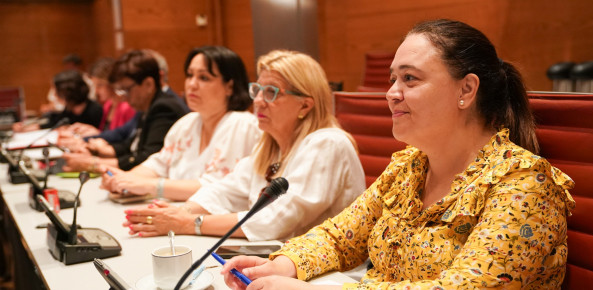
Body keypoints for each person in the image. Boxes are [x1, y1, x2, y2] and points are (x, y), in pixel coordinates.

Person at [221, 19, 576, 289]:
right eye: (393, 79)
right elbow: (340, 237)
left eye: (410, 79)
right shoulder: (410, 166)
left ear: (466, 89)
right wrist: (281, 265)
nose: (391, 93)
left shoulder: (525, 184)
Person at [121, 50, 366, 241]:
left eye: (271, 92)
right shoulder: (271, 146)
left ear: (305, 105)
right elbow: (225, 190)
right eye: (257, 90)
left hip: (330, 276)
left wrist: (189, 223)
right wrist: (181, 212)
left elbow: (275, 221)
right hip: (276, 261)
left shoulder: (328, 144)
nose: (258, 101)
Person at [100, 46, 261, 201]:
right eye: (190, 75)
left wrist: (151, 186)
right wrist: (122, 179)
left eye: (203, 77)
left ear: (229, 87)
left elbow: (217, 186)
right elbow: (158, 164)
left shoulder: (243, 125)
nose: (192, 84)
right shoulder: (186, 123)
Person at [61, 50, 188, 172]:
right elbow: (132, 143)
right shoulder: (149, 104)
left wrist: (92, 163)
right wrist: (97, 150)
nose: (123, 96)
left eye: (127, 90)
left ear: (148, 84)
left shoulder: (164, 107)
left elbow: (147, 158)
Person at [58, 57, 137, 143]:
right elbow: (105, 134)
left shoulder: (126, 107)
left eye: (100, 85)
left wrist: (96, 134)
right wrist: (90, 130)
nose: (96, 91)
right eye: (95, 86)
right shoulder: (108, 105)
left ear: (113, 83)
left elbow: (125, 142)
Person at [12, 70, 103, 132]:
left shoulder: (95, 110)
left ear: (68, 92)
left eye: (56, 90)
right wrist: (24, 128)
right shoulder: (69, 109)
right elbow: (52, 123)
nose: (54, 95)